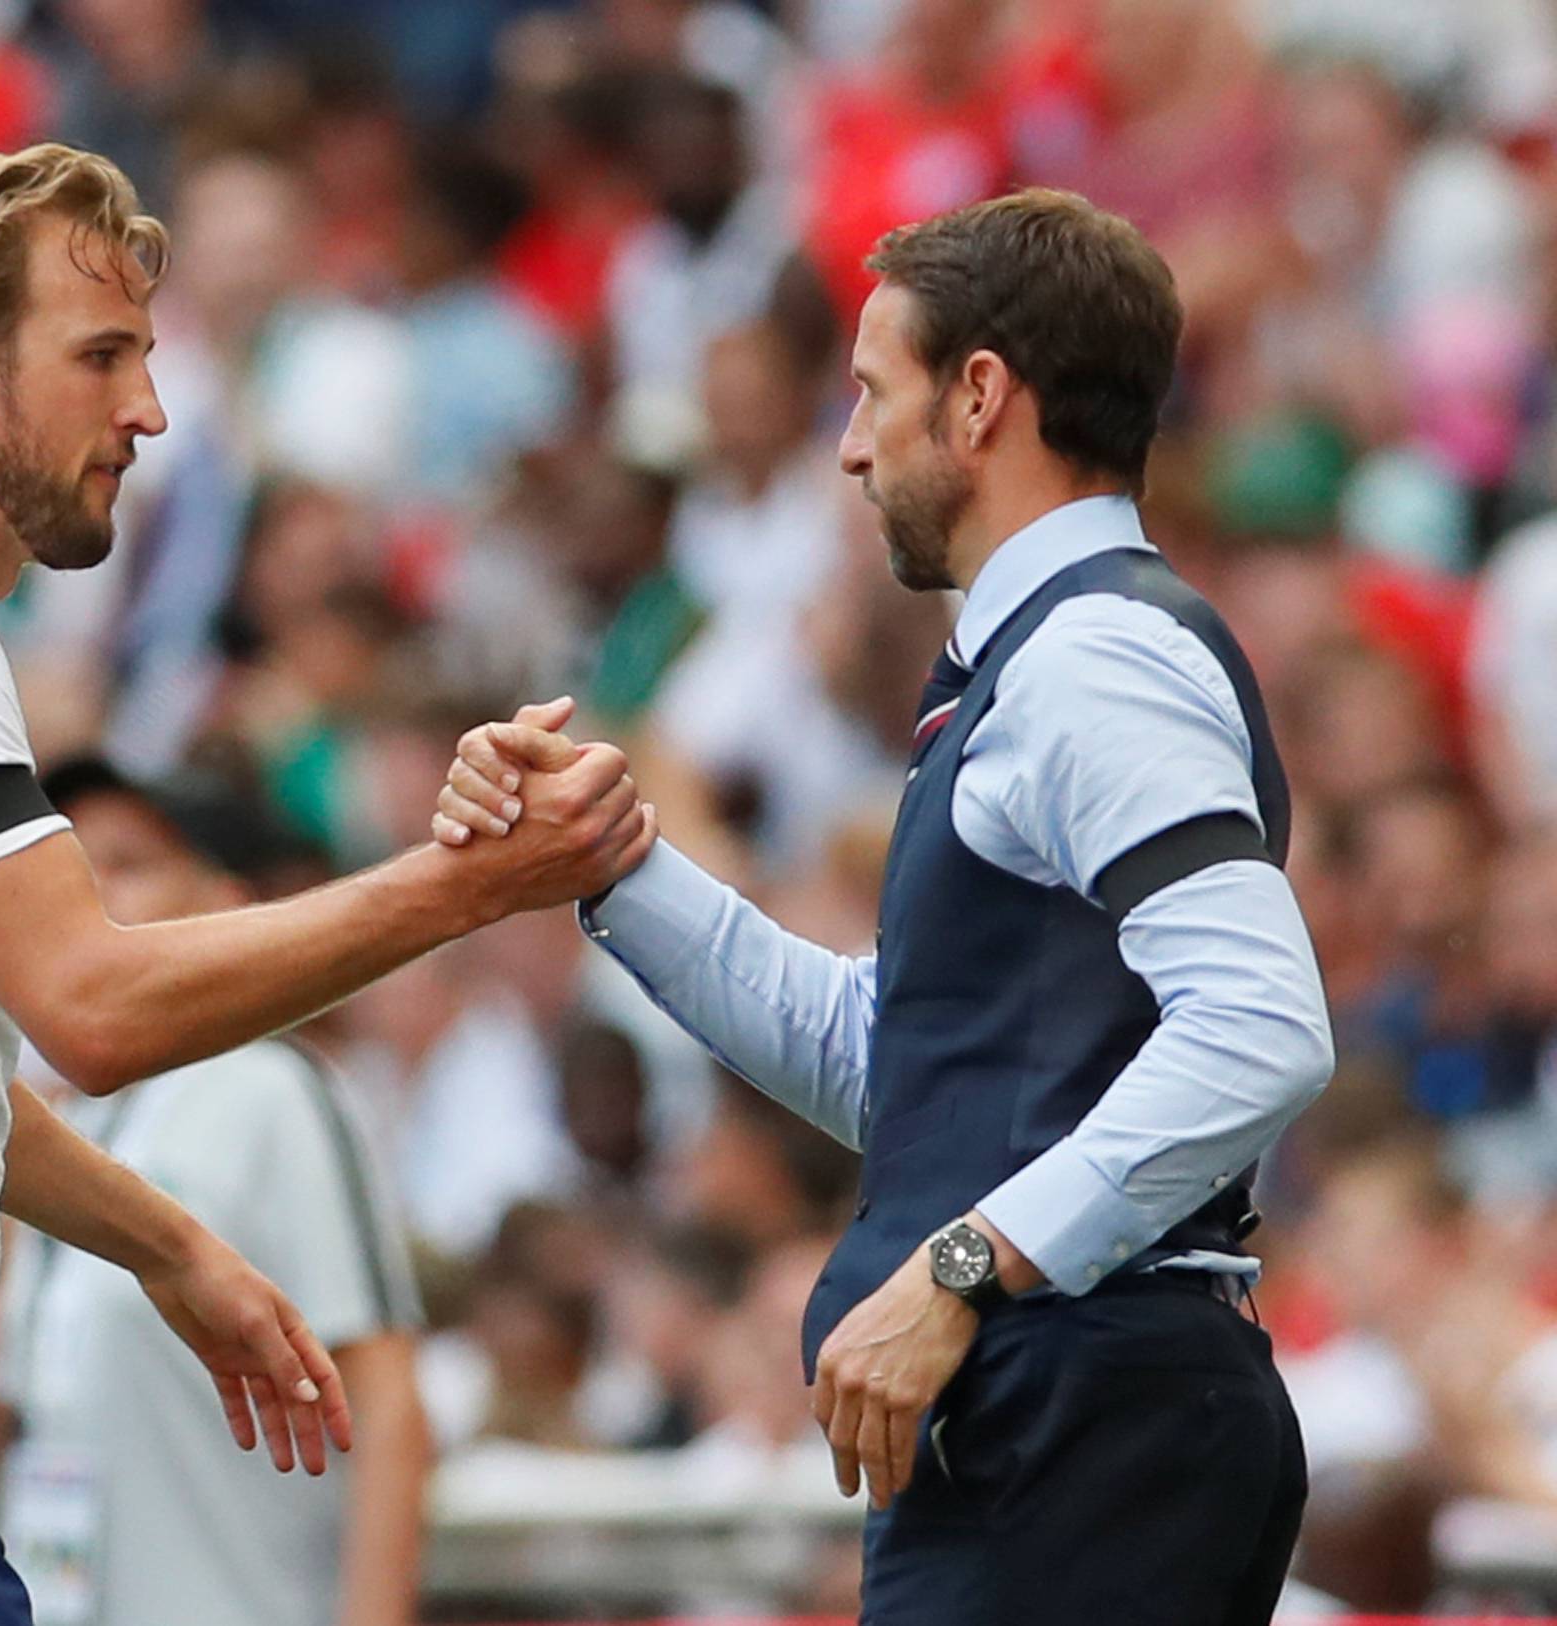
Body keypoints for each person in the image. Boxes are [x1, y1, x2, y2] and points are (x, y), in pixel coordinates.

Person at [0, 142, 652, 1626]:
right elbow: (95, 1006)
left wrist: (174, 1246)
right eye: (101, 355)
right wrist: (467, 888)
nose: (149, 411)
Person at [441, 189, 1334, 1623]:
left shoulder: (1093, 655)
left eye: (871, 392)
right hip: (1054, 1419)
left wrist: (966, 1267)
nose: (851, 447)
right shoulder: (1042, 658)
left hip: (1083, 1409)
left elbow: (1262, 1026)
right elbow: (913, 1067)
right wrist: (608, 861)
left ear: (979, 398)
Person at [0, 756, 428, 1626]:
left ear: (226, 911)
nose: (91, 891)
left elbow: (387, 1406)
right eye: (72, 864)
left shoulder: (269, 1086)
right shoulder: (56, 1122)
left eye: (129, 862)